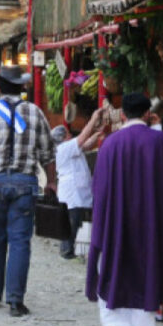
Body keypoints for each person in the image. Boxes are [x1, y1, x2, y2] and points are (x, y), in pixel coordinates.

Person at [85, 93, 163, 326]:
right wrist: (157, 129)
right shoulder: (159, 142)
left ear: (123, 114)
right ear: (148, 113)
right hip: (149, 217)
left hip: (116, 216)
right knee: (145, 268)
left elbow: (99, 186)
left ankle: (113, 320)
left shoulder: (110, 143)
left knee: (112, 262)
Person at [0, 66, 56, 317]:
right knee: (20, 241)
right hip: (25, 182)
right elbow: (48, 153)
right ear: (22, 87)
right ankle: (15, 300)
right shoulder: (35, 112)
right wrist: (51, 181)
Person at [51, 107, 105, 259]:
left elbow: (86, 145)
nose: (71, 135)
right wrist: (93, 119)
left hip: (76, 191)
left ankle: (68, 249)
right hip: (72, 193)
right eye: (68, 134)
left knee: (75, 220)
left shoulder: (69, 147)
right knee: (72, 222)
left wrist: (96, 134)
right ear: (64, 137)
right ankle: (66, 250)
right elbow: (81, 139)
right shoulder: (64, 148)